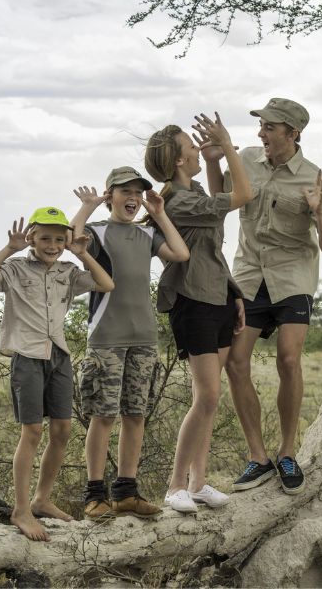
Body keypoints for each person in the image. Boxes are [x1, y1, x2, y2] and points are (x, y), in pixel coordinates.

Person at [200, 97, 322, 495]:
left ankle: (286, 452)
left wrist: (317, 213)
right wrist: (214, 161)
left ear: (292, 134)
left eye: (269, 127)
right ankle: (258, 457)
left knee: (289, 358)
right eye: (260, 126)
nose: (260, 134)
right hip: (248, 275)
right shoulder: (245, 159)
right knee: (236, 362)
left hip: (293, 274)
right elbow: (220, 203)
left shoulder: (315, 178)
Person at [0, 207, 114, 541]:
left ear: (65, 241)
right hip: (27, 356)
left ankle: (41, 499)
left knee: (63, 430)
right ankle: (21, 510)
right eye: (44, 238)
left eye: (58, 239)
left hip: (59, 355)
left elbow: (105, 283)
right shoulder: (15, 268)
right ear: (32, 239)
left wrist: (81, 253)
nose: (51, 245)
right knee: (33, 431)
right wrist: (11, 248)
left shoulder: (67, 271)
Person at [144, 113, 252, 513]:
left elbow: (214, 241)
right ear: (177, 160)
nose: (195, 149)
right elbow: (242, 197)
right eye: (191, 146)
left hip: (218, 296)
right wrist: (225, 147)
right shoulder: (178, 200)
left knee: (208, 397)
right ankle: (175, 487)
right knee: (207, 396)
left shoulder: (196, 191)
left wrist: (234, 293)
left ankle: (199, 482)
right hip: (192, 302)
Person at [69, 166, 189, 520]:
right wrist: (88, 207)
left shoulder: (146, 234)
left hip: (144, 338)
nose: (133, 198)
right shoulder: (98, 231)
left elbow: (180, 254)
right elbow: (72, 240)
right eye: (125, 192)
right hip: (106, 338)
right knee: (103, 416)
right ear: (111, 196)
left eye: (138, 192)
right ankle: (94, 495)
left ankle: (126, 491)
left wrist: (160, 214)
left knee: (135, 414)